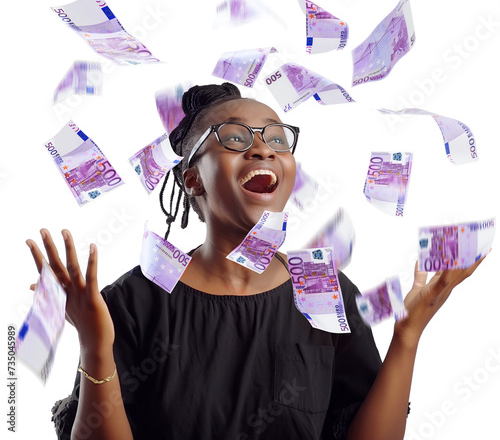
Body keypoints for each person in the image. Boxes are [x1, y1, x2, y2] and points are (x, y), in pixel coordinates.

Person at [26, 83, 487, 440]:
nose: (263, 147)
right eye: (234, 137)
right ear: (193, 181)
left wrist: (408, 336)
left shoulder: (322, 289)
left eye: (276, 138)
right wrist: (94, 344)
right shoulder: (132, 301)